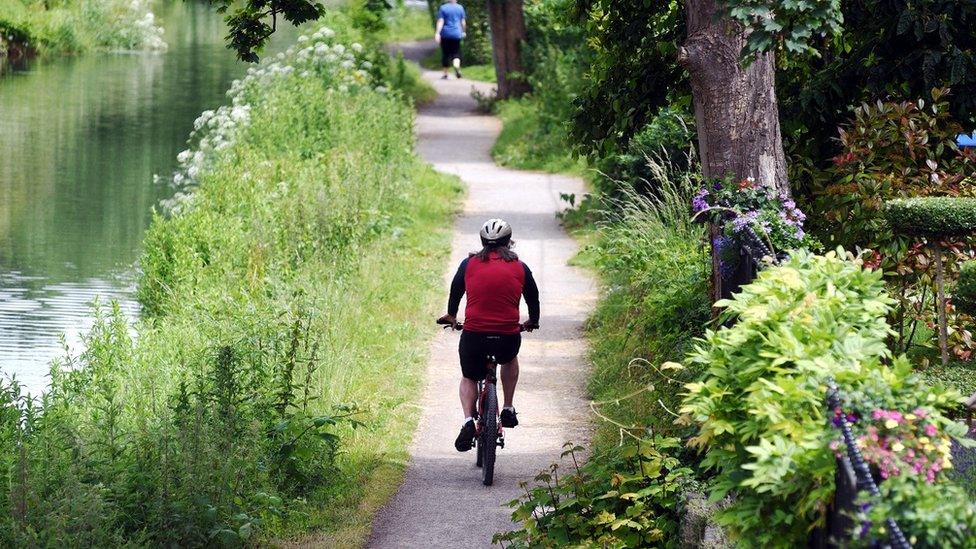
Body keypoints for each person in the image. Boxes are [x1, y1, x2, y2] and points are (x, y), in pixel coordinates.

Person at [438, 219, 540, 452]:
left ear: (483, 241)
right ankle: (507, 407)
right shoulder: (520, 267)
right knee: (509, 359)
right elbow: (533, 298)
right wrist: (532, 321)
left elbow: (456, 290)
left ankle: (467, 421)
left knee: (469, 376)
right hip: (507, 336)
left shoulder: (468, 264)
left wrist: (452, 316)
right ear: (509, 241)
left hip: (474, 335)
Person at [434, 0, 466, 79]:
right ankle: (457, 66)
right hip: (456, 33)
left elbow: (441, 21)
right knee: (456, 52)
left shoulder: (443, 8)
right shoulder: (460, 8)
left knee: (445, 54)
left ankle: (445, 74)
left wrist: (437, 33)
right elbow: (463, 21)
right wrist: (464, 31)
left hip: (445, 34)